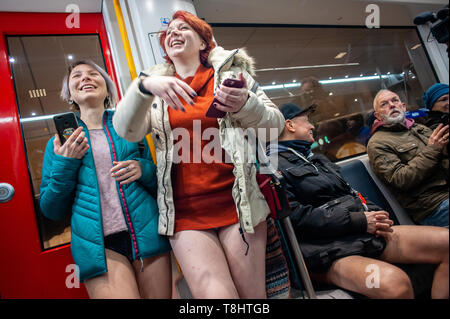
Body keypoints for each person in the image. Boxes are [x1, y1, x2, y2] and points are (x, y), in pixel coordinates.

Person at [113, 11, 284, 299]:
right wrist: (143, 86)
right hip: (184, 213)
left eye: (184, 28)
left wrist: (244, 105)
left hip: (239, 206)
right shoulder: (155, 89)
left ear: (204, 43)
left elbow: (275, 126)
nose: (174, 33)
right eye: (169, 32)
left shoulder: (234, 77)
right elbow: (126, 130)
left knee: (252, 296)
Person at [267, 102, 449, 298]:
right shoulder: (271, 167)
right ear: (290, 125)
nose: (312, 126)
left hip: (361, 233)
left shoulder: (318, 160)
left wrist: (374, 215)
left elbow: (352, 194)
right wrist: (360, 220)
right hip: (327, 250)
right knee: (395, 285)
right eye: (307, 121)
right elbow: (297, 217)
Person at [39, 60, 172, 298]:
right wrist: (66, 162)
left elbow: (160, 184)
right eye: (77, 76)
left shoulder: (130, 127)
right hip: (98, 246)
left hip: (147, 235)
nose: (86, 78)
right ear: (69, 93)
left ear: (107, 87)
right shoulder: (58, 144)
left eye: (93, 74)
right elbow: (51, 209)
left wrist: (144, 169)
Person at [367, 89, 449, 227]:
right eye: (384, 104)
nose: (392, 105)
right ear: (378, 115)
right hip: (433, 205)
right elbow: (401, 179)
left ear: (403, 106)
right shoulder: (377, 143)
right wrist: (433, 149)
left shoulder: (419, 128)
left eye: (395, 100)